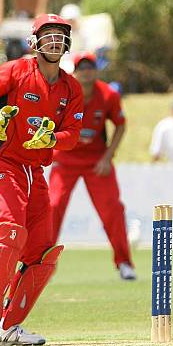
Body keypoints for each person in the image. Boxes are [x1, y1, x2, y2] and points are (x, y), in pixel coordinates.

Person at [0, 13, 83, 345]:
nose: (55, 41)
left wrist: (52, 140)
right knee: (11, 232)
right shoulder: (16, 70)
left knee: (44, 253)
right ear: (35, 41)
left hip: (35, 172)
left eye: (61, 36)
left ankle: (9, 326)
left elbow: (73, 133)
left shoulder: (70, 87)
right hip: (0, 161)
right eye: (49, 35)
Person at [49, 52, 136, 280]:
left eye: (90, 67)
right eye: (82, 68)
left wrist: (108, 157)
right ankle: (41, 264)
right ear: (74, 72)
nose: (86, 72)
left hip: (96, 162)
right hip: (65, 159)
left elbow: (120, 125)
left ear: (96, 71)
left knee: (113, 209)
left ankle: (124, 263)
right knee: (52, 206)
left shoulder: (108, 94)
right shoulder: (63, 92)